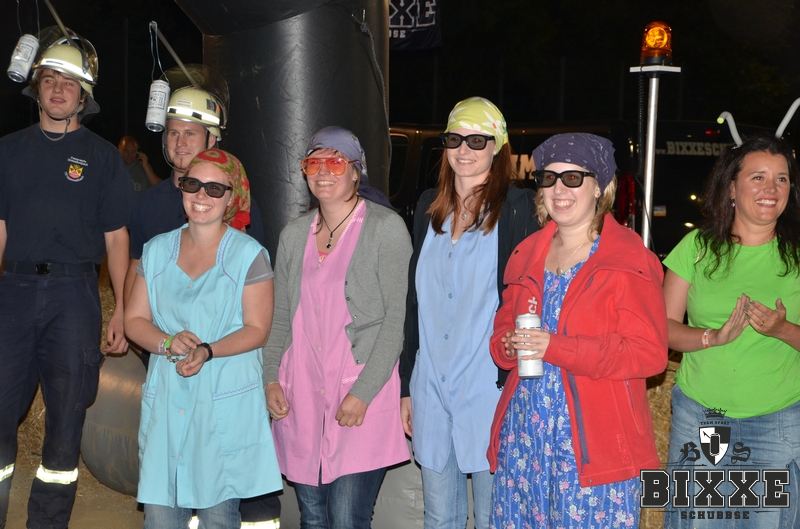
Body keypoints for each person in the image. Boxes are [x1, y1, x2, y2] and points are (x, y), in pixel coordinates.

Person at [487, 133, 668, 528]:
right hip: (526, 441)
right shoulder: (526, 253)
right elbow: (501, 334)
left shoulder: (627, 258)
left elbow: (650, 354)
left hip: (593, 451)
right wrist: (508, 345)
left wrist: (557, 347)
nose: (559, 190)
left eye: (572, 178)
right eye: (548, 178)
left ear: (599, 187)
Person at [0, 28, 131, 529]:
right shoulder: (8, 151)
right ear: (37, 88)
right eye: (50, 79)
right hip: (13, 293)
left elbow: (116, 238)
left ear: (83, 96)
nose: (58, 90)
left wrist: (122, 309)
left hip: (74, 297)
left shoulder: (103, 158)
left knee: (67, 418)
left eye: (69, 83)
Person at [398, 96, 537, 529]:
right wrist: (406, 384)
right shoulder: (427, 207)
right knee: (439, 518)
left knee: (497, 517)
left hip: (488, 387)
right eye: (454, 138)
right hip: (431, 386)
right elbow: (414, 306)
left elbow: (530, 297)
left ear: (498, 146)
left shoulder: (517, 208)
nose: (464, 149)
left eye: (477, 140)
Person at [124, 148, 282, 529]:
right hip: (169, 399)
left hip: (223, 399)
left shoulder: (249, 256)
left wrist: (209, 350)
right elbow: (134, 320)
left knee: (218, 516)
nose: (201, 196)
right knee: (161, 515)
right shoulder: (156, 250)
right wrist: (166, 342)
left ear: (232, 197)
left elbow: (258, 329)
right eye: (192, 184)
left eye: (214, 188)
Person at [264, 126, 410, 529]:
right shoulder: (294, 235)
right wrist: (271, 378)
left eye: (335, 162)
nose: (323, 172)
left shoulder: (385, 228)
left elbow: (395, 322)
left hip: (361, 392)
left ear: (356, 171)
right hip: (302, 394)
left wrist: (362, 394)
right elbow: (280, 317)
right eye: (313, 164)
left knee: (347, 517)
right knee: (312, 516)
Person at [662, 135, 800, 529]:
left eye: (781, 179)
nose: (771, 189)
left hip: (777, 422)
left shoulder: (796, 255)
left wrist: (782, 329)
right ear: (731, 188)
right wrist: (712, 337)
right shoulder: (696, 247)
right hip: (701, 419)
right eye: (758, 177)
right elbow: (663, 329)